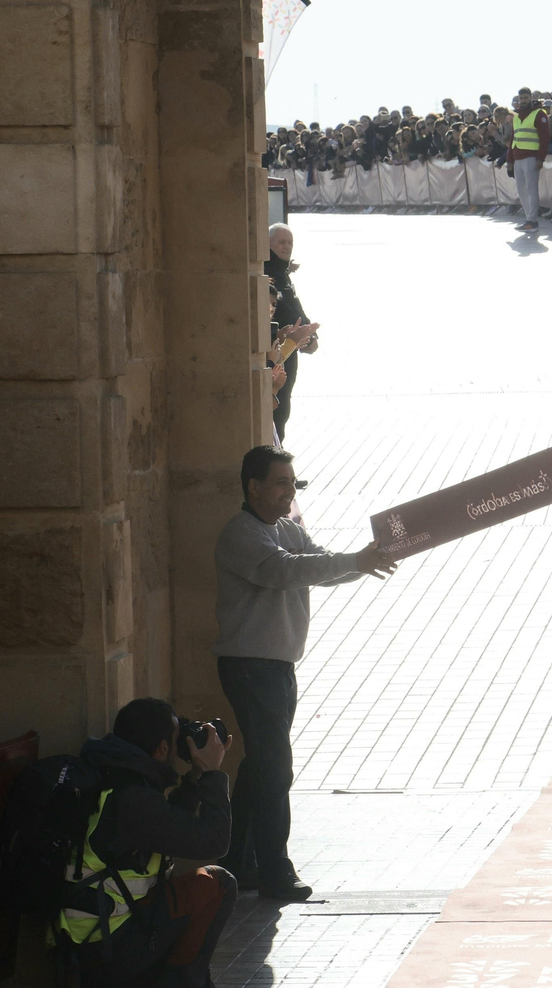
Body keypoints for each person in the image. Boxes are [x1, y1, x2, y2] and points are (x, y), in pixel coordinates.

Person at [213, 446, 399, 901]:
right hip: (250, 667)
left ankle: (236, 861)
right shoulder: (242, 534)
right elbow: (283, 572)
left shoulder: (287, 529)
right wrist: (355, 561)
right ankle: (275, 870)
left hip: (276, 667)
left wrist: (364, 561)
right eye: (281, 483)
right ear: (254, 487)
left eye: (293, 483)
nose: (289, 491)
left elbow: (319, 565)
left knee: (261, 768)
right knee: (275, 769)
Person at [66, 697, 236, 987]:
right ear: (162, 748)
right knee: (218, 884)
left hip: (90, 938)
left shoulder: (114, 774)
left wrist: (195, 779)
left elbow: (169, 826)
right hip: (106, 949)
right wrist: (211, 775)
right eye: (175, 737)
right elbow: (214, 842)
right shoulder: (133, 798)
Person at [264, 224, 316, 443]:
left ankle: (281, 466)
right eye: (281, 243)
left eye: (290, 243)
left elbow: (295, 309)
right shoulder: (269, 274)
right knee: (276, 409)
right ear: (267, 245)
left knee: (282, 410)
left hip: (289, 348)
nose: (287, 247)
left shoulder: (282, 273)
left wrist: (310, 338)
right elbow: (282, 311)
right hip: (277, 351)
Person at [508, 87, 549, 232]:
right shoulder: (516, 116)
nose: (523, 101)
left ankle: (532, 220)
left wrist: (540, 159)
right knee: (521, 190)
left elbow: (545, 138)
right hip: (518, 157)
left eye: (526, 98)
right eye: (521, 99)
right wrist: (509, 161)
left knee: (532, 189)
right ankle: (528, 219)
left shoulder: (539, 113)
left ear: (531, 98)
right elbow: (513, 139)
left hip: (531, 157)